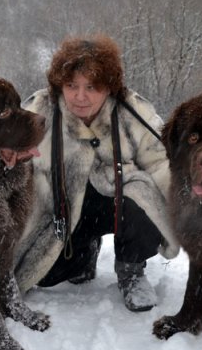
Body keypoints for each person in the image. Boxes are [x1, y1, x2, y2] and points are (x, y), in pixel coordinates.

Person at [14, 34, 180, 312]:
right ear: (59, 85)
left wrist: (185, 216)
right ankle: (83, 252)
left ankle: (131, 269)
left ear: (109, 88)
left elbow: (162, 165)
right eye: (71, 86)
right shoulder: (38, 112)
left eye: (92, 87)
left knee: (144, 195)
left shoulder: (133, 111)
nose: (80, 97)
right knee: (50, 277)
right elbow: (6, 164)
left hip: (118, 204)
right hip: (64, 209)